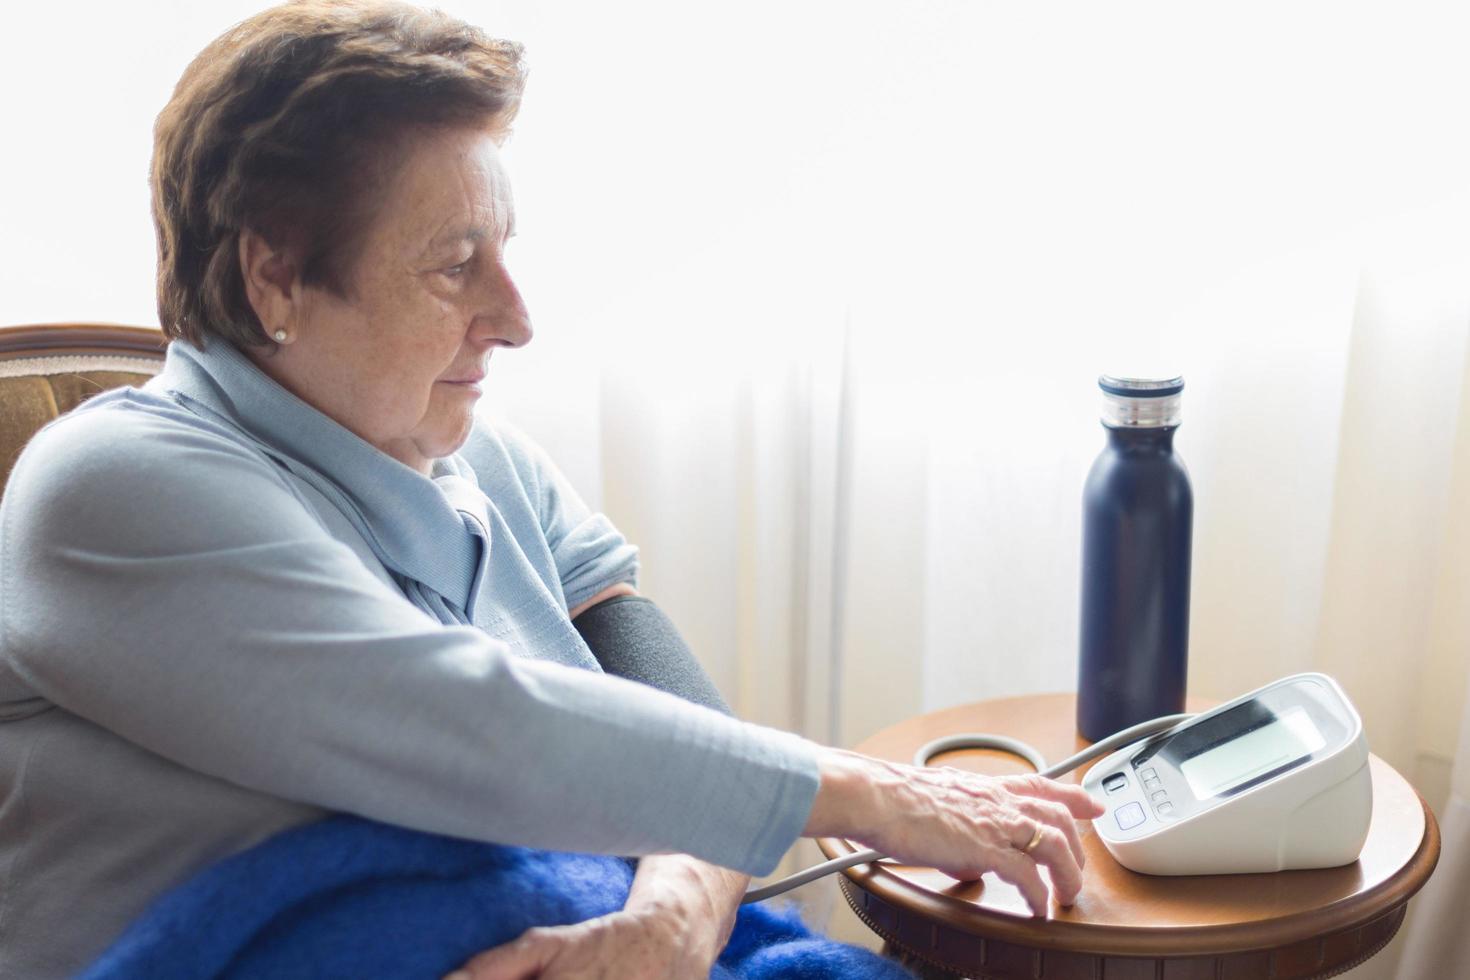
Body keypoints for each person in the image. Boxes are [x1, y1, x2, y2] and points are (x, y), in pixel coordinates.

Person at [0, 2, 1104, 977]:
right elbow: (460, 723)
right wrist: (870, 792)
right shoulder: (110, 486)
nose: (517, 317)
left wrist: (681, 902)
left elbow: (666, 708)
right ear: (275, 272)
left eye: (506, 249)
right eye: (453, 262)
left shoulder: (479, 455)